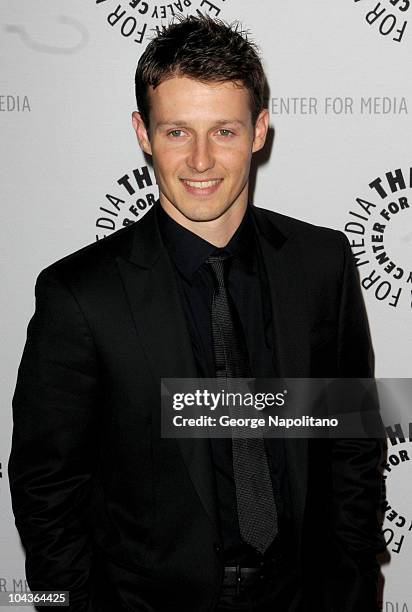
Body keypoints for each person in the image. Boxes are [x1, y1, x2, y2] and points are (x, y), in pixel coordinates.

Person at [9, 15, 386, 612]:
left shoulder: (322, 264)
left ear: (259, 130)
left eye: (225, 132)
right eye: (178, 132)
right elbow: (46, 490)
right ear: (142, 132)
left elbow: (351, 435)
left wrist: (357, 581)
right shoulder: (79, 295)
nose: (202, 161)